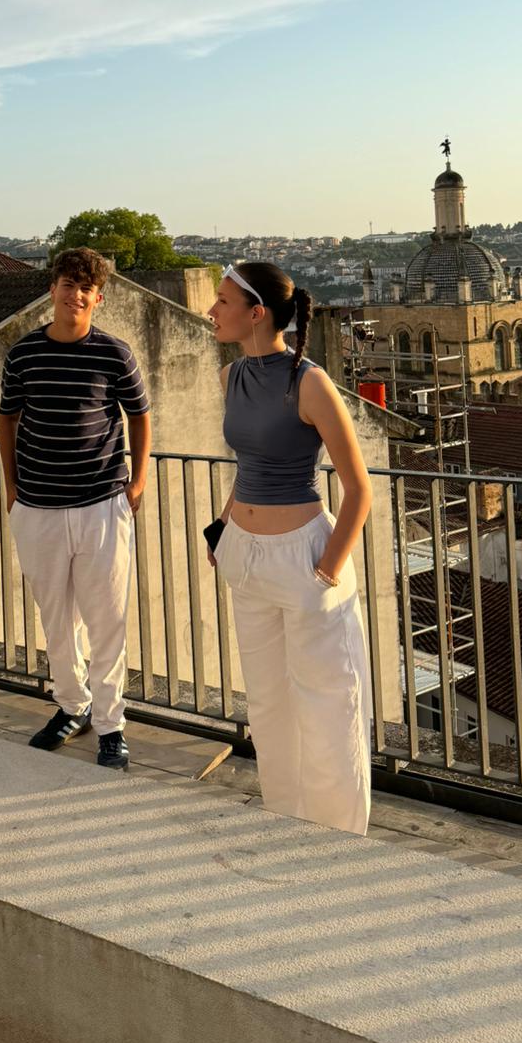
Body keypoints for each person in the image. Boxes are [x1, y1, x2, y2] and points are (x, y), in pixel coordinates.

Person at [207, 263, 373, 835]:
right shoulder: (230, 376)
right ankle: (285, 822)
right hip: (246, 556)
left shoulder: (309, 382)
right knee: (268, 704)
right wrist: (224, 528)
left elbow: (358, 488)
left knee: (328, 704)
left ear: (256, 313)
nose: (211, 310)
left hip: (303, 558)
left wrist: (327, 569)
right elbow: (249, 465)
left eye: (222, 301)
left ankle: (339, 838)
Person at [0, 248, 151, 770]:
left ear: (98, 299)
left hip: (101, 506)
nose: (76, 295)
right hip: (37, 508)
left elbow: (140, 415)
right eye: (68, 284)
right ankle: (72, 707)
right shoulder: (22, 354)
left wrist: (138, 481)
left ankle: (110, 724)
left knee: (107, 622)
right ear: (53, 289)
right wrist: (12, 490)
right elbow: (8, 420)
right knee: (56, 620)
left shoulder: (115, 353)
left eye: (87, 288)